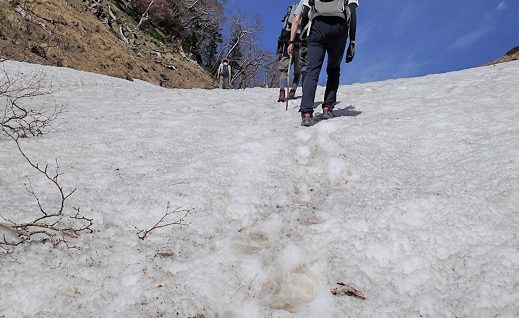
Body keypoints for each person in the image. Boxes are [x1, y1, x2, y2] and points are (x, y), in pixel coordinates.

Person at [288, 0, 359, 126]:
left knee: (312, 70)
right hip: (339, 27)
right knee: (333, 69)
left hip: (317, 26)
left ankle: (306, 113)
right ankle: (327, 108)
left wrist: (304, 40)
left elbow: (304, 13)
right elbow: (352, 12)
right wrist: (352, 41)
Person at [277, 4, 302, 102]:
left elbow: (282, 35)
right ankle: (292, 91)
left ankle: (282, 91)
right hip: (300, 46)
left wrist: (280, 50)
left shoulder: (289, 21)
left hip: (287, 44)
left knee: (284, 70)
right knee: (298, 71)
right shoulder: (307, 11)